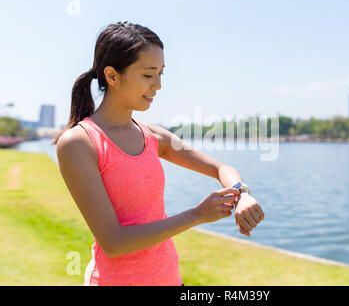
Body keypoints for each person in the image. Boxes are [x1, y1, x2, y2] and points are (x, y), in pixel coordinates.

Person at [53, 21, 264, 286]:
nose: (158, 85)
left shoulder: (154, 136)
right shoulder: (79, 143)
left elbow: (221, 169)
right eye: (148, 74)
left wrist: (242, 194)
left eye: (161, 73)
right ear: (112, 76)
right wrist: (196, 215)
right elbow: (114, 242)